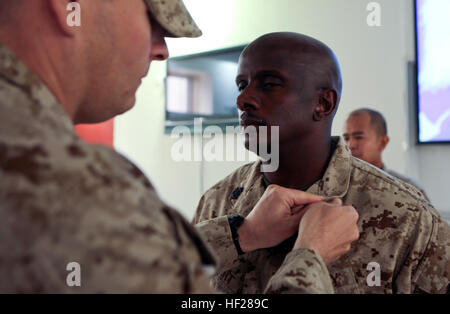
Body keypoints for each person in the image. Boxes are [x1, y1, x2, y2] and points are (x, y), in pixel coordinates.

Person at [0, 0, 359, 293]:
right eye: (151, 17)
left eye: (268, 84)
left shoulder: (404, 212)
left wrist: (241, 234)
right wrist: (310, 256)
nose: (161, 50)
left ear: (323, 104)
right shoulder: (77, 185)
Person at [194, 32, 450, 294]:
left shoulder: (408, 218)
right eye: (241, 85)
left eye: (269, 84)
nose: (241, 100)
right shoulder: (217, 204)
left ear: (323, 103)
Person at [343, 108, 430, 202]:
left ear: (382, 142)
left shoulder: (407, 192)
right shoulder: (336, 185)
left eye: (359, 137)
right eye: (346, 138)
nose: (350, 145)